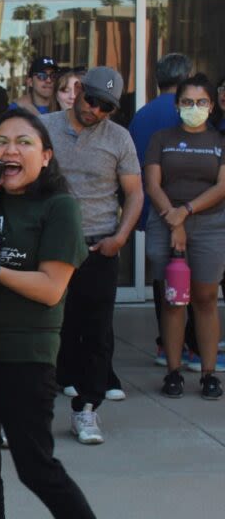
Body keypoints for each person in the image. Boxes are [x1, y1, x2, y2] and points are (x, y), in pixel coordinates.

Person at [0, 108, 95, 519]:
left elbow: (50, 289)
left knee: (36, 468)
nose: (11, 149)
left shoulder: (60, 207)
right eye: (0, 142)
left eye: (24, 142)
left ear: (45, 156)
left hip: (23, 355)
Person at [41, 67, 143, 445]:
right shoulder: (43, 127)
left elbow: (134, 194)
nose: (96, 111)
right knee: (44, 331)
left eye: (107, 107)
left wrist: (119, 238)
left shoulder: (120, 138)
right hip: (50, 247)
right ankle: (31, 413)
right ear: (78, 90)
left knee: (96, 332)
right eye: (92, 100)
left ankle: (87, 410)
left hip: (99, 246)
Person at [144, 74, 225, 400]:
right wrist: (174, 220)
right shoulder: (161, 138)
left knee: (206, 299)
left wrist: (186, 211)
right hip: (165, 223)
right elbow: (152, 184)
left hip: (210, 226)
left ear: (212, 104)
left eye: (201, 102)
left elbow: (222, 187)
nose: (195, 108)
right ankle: (173, 372)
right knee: (173, 300)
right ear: (178, 105)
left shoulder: (220, 141)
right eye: (188, 102)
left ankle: (208, 373)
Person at [128, 53, 195, 367]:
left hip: (152, 206)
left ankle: (164, 343)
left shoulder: (141, 115)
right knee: (191, 275)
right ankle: (191, 344)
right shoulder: (189, 111)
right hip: (187, 209)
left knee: (162, 276)